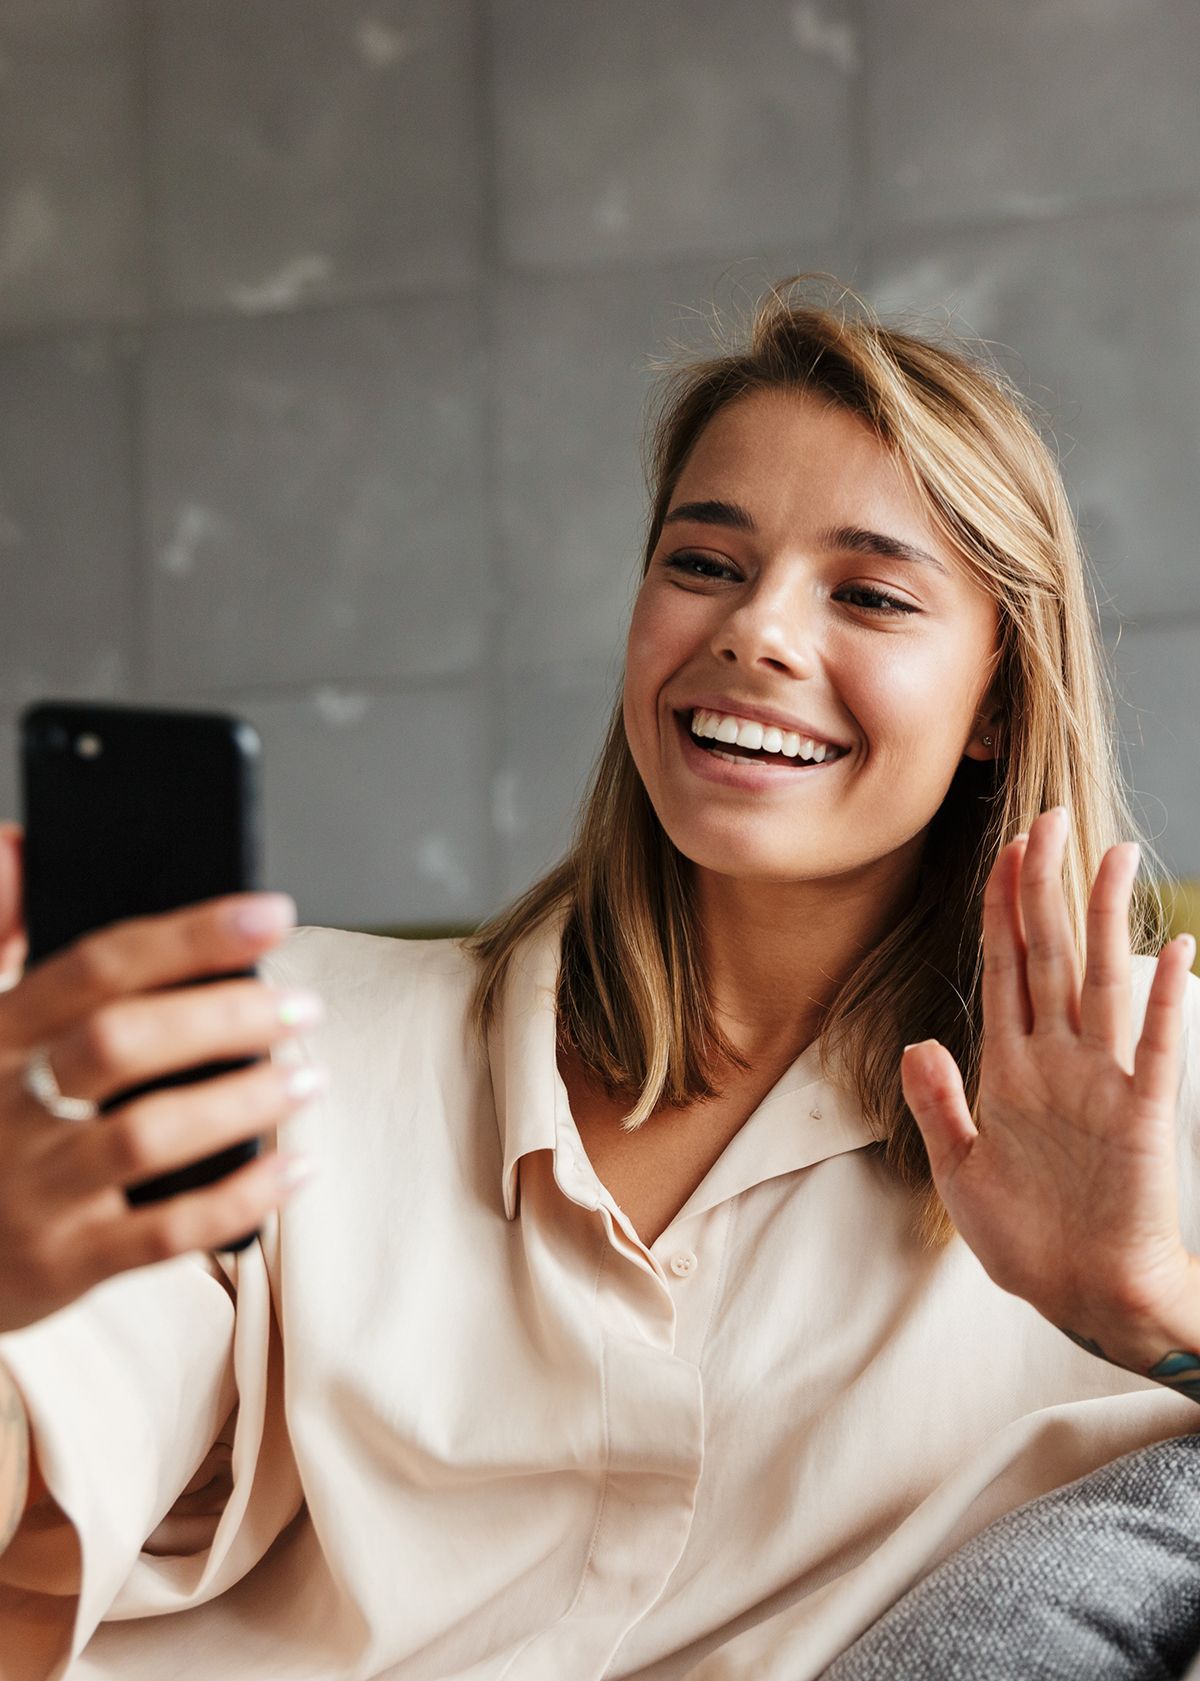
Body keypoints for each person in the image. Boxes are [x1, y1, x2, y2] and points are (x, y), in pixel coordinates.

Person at [1, 275, 1198, 1681]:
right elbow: (52, 1479)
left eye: (869, 592)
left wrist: (1150, 1311)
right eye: (705, 562)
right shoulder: (293, 1040)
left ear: (997, 701)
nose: (757, 631)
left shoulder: (1144, 1109)